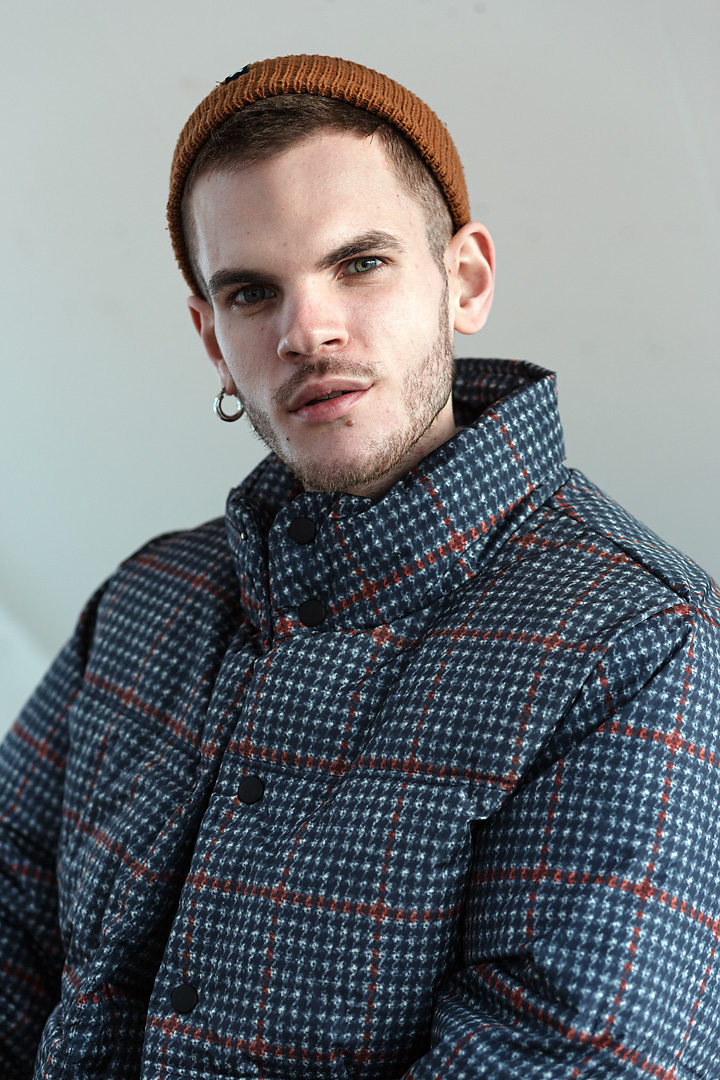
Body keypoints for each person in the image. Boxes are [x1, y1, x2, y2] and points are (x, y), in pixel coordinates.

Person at [0, 53, 718, 1080]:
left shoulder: (635, 643)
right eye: (253, 293)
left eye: (360, 264)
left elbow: (565, 1058)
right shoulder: (148, 600)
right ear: (212, 338)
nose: (307, 331)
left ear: (463, 281)